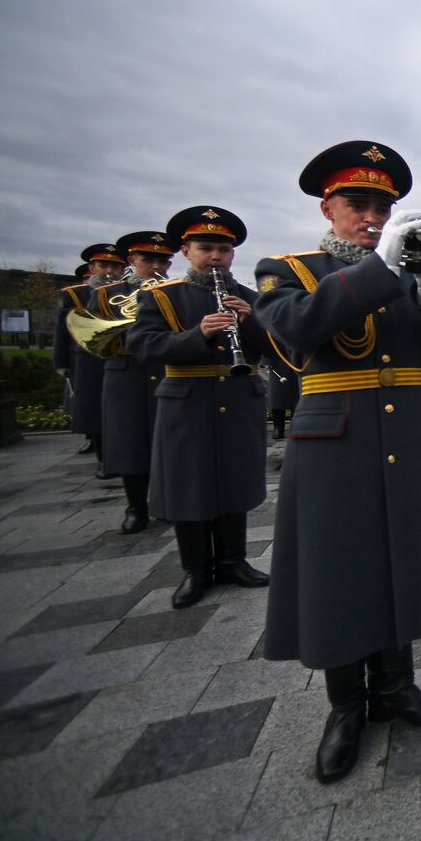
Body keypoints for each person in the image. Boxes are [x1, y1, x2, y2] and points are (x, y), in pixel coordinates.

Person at [254, 140, 421, 783]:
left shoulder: (407, 274)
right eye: (358, 204)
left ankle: (398, 688)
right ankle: (347, 706)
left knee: (399, 559)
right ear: (329, 207)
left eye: (383, 206)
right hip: (335, 443)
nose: (373, 217)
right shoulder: (287, 268)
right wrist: (382, 267)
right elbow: (297, 328)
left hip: (406, 434)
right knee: (340, 570)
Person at [127, 206, 270, 609]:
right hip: (186, 401)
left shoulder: (249, 297)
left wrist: (254, 323)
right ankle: (195, 569)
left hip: (239, 399)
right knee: (190, 484)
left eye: (223, 250)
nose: (215, 257)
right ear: (187, 251)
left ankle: (233, 560)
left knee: (234, 479)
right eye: (205, 248)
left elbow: (281, 347)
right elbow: (144, 347)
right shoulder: (163, 296)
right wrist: (197, 335)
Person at [90, 233, 177, 532]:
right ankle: (135, 507)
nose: (156, 265)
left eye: (162, 260)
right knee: (130, 442)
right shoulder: (106, 294)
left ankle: (165, 502)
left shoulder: (174, 292)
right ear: (132, 261)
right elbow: (93, 339)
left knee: (167, 441)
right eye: (147, 259)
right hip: (126, 372)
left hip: (164, 370)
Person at [58, 246, 123, 471]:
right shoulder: (76, 294)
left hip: (120, 357)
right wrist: (62, 363)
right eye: (103, 266)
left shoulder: (130, 291)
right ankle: (103, 459)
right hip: (87, 360)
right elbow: (62, 331)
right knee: (94, 410)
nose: (109, 271)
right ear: (92, 268)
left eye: (115, 266)